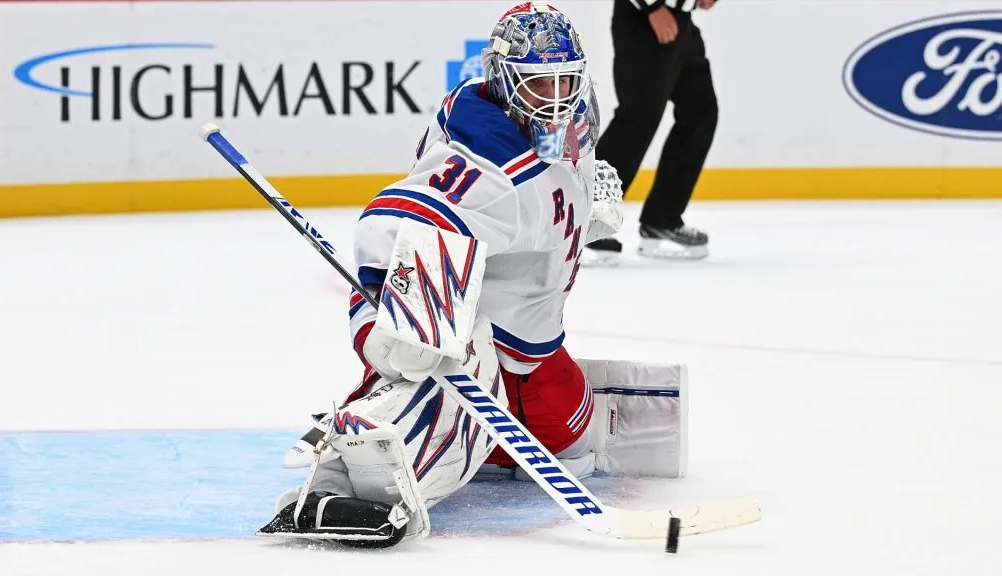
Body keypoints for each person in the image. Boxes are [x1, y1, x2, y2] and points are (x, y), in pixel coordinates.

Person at [257, 2, 686, 549]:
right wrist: (393, 318)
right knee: (439, 372)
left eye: (566, 81)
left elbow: (559, 164)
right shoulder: (492, 164)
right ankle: (360, 474)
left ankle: (454, 420)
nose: (556, 99)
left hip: (534, 345)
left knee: (570, 434)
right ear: (504, 80)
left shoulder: (566, 117)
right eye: (539, 86)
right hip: (482, 334)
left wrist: (579, 202)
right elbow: (395, 219)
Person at [583, 0, 719, 265]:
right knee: (637, 119)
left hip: (682, 22)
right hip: (644, 20)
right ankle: (585, 220)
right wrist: (653, 8)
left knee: (700, 112)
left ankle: (662, 219)